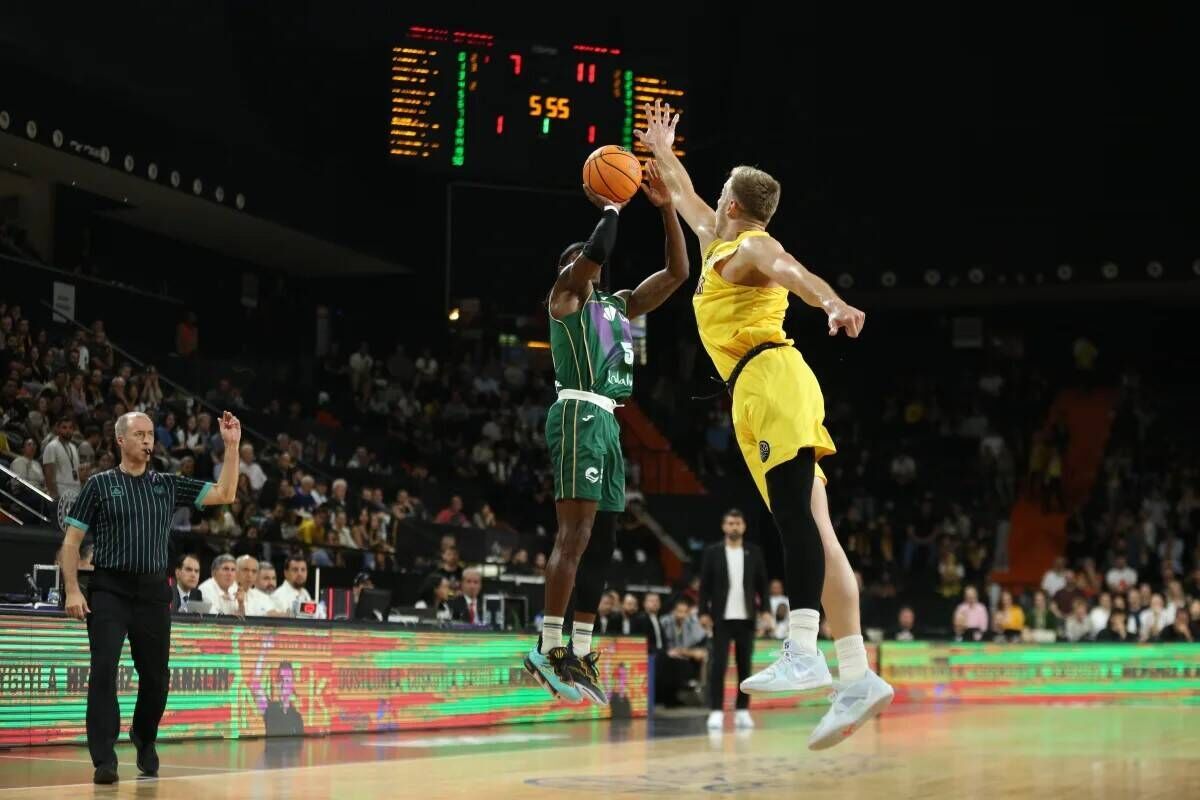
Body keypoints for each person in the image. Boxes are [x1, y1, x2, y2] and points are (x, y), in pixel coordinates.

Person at [639, 98, 889, 748]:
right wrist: (663, 148)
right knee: (821, 532)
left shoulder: (751, 243)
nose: (711, 197)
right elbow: (686, 194)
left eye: (720, 191)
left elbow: (790, 270)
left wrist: (831, 302)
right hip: (761, 387)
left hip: (771, 378)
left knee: (793, 522)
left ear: (735, 204)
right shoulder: (718, 239)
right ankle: (858, 676)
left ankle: (804, 647)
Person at [525, 158, 689, 707]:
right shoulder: (566, 297)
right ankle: (547, 647)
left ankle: (581, 650)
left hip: (610, 422)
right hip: (577, 414)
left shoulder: (619, 307)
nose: (588, 266)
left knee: (605, 539)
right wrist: (615, 204)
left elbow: (676, 274)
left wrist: (666, 210)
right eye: (580, 262)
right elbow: (594, 252)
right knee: (573, 535)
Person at [60, 410, 241, 784]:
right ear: (120, 440)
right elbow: (72, 542)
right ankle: (104, 759)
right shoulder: (99, 485)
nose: (147, 440)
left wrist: (231, 447)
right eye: (139, 434)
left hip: (154, 592)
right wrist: (73, 588)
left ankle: (144, 738)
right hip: (109, 589)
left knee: (157, 678)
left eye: (150, 435)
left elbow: (226, 493)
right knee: (104, 670)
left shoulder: (166, 484)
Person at [698, 509, 768, 731]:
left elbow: (762, 585)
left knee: (745, 666)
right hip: (721, 618)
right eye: (730, 523)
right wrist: (702, 612)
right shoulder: (713, 552)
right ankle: (716, 711)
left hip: (746, 618)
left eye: (738, 523)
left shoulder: (754, 552)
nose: (734, 527)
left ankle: (742, 710)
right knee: (718, 666)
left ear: (744, 526)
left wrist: (765, 610)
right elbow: (704, 587)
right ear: (724, 526)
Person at [43, 415, 82, 500]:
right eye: (64, 427)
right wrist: (54, 494)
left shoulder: (73, 447)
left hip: (75, 489)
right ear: (58, 429)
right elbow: (48, 472)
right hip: (61, 490)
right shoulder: (51, 446)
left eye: (70, 428)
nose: (68, 430)